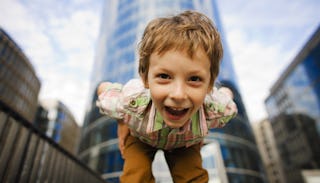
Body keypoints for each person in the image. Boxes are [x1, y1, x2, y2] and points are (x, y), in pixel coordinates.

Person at [96, 10, 237, 183]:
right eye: (164, 76)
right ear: (146, 79)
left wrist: (225, 93)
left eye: (194, 79)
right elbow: (104, 88)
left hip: (185, 144)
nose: (178, 94)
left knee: (193, 177)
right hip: (141, 138)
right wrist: (121, 120)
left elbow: (227, 97)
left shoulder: (217, 107)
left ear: (209, 86)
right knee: (136, 175)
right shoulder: (131, 99)